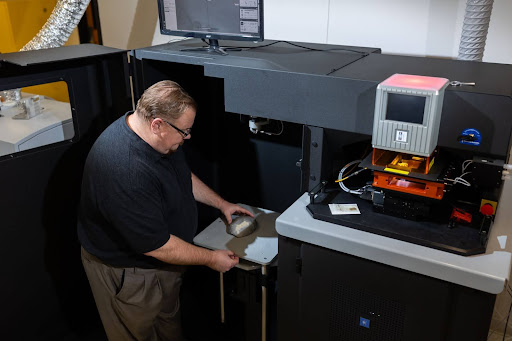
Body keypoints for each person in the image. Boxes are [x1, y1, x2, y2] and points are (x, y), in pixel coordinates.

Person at [77, 80, 253, 341]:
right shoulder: (125, 170)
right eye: (185, 131)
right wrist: (210, 258)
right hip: (130, 273)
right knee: (137, 334)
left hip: (164, 264)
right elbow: (156, 246)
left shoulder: (156, 138)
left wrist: (222, 204)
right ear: (157, 124)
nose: (188, 137)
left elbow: (181, 176)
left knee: (168, 323)